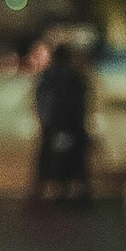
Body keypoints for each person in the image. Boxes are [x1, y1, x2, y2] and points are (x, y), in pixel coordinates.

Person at [33, 40, 91, 199]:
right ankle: (75, 186)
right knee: (75, 157)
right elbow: (82, 101)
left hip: (54, 123)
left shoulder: (48, 76)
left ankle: (46, 186)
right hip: (71, 123)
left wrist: (44, 120)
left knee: (49, 156)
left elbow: (41, 100)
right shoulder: (74, 76)